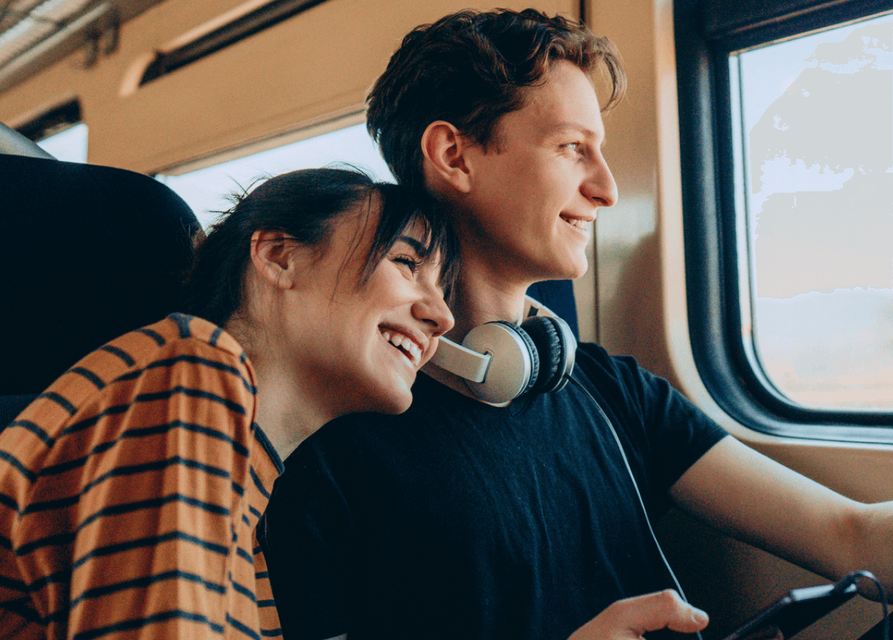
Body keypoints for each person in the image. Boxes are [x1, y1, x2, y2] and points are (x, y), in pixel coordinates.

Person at [259, 9, 893, 640]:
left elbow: (848, 534)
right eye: (571, 148)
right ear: (454, 156)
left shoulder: (611, 390)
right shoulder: (327, 437)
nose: (607, 189)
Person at [0, 167, 455, 639]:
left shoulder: (247, 511)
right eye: (406, 262)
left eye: (443, 289)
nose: (442, 316)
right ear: (279, 257)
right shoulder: (189, 371)